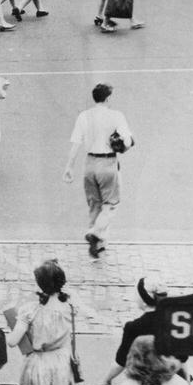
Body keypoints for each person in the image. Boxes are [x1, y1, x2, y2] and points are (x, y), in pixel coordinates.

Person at [63, 83, 134, 258]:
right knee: (110, 206)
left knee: (95, 205)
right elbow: (126, 140)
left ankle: (99, 245)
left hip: (89, 164)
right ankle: (96, 232)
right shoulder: (116, 116)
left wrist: (69, 167)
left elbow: (76, 143)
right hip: (108, 163)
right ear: (108, 98)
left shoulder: (83, 116)